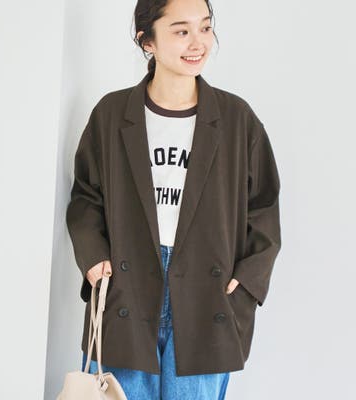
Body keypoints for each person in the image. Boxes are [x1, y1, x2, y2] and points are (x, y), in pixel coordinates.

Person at [66, 0, 281, 398]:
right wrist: (93, 256)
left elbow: (264, 206)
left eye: (205, 27)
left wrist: (248, 283)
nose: (198, 42)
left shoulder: (237, 119)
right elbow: (86, 196)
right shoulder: (112, 114)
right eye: (181, 31)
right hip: (127, 288)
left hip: (208, 297)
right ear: (146, 41)